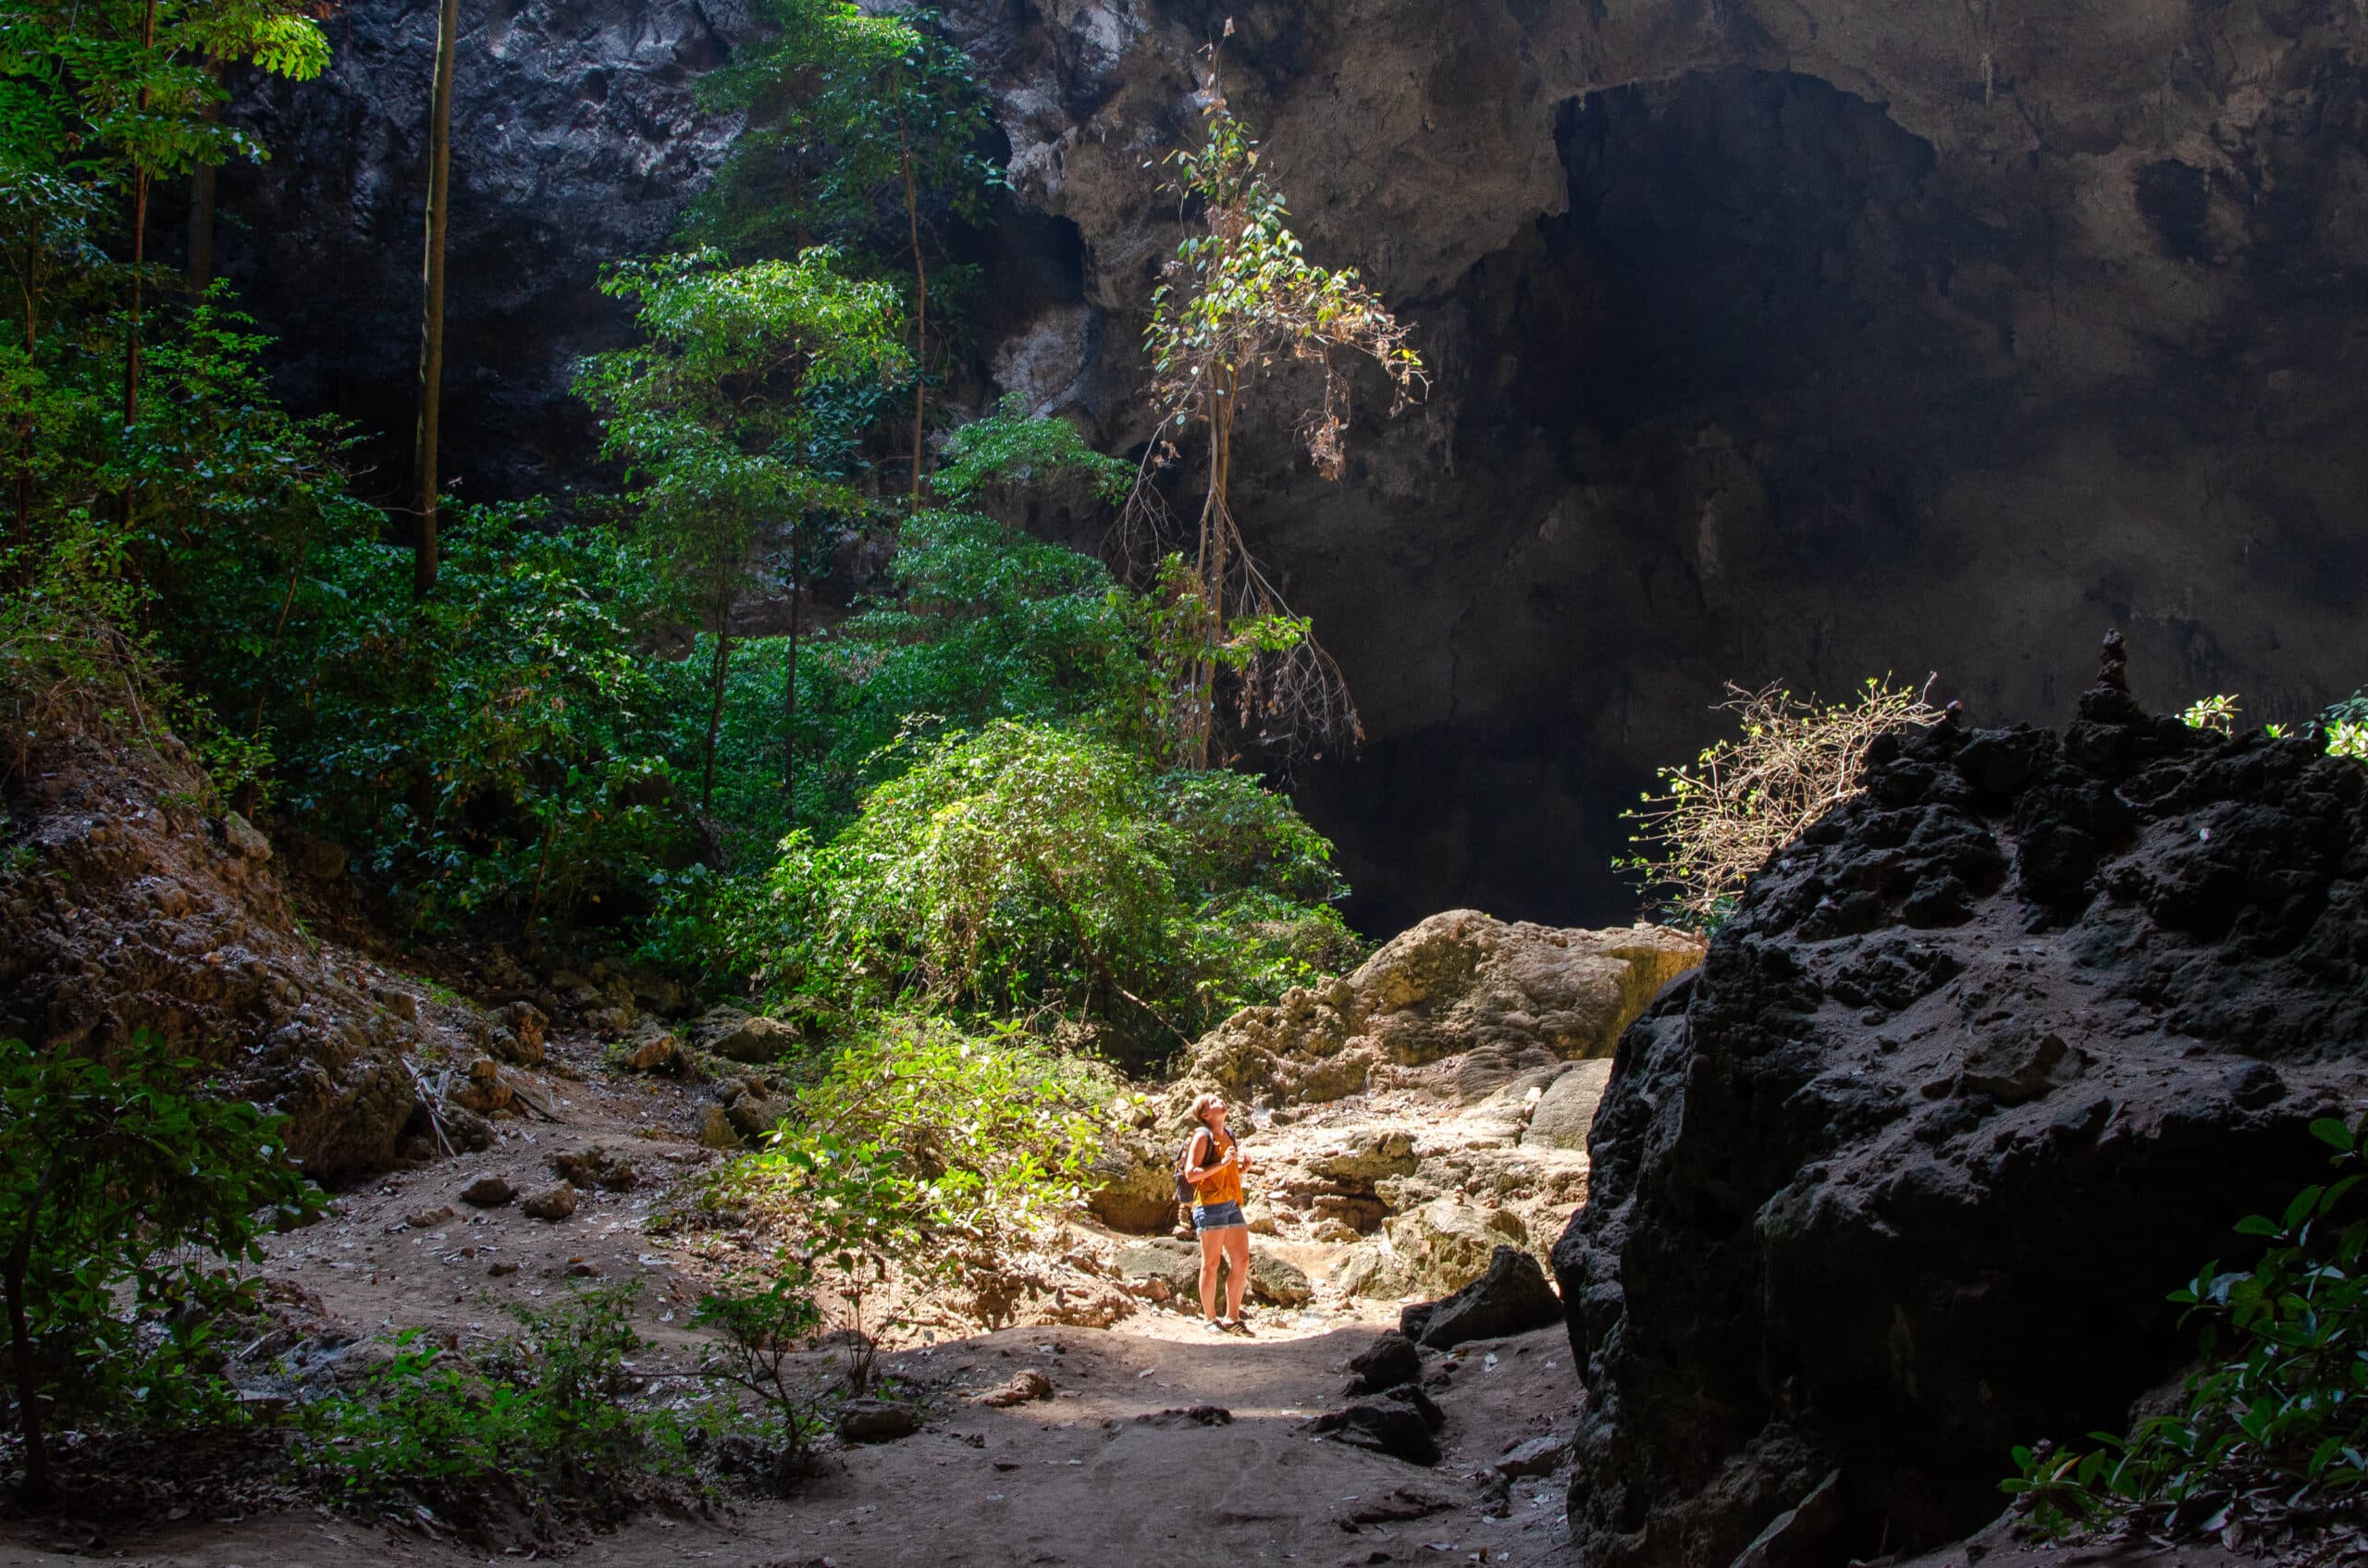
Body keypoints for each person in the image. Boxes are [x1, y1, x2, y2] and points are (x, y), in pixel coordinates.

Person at [1182, 1092, 1252, 1333]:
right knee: (1211, 1263)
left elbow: (1224, 1174)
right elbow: (1191, 1174)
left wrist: (1241, 1169)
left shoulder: (1229, 1134)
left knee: (1242, 1260)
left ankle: (1233, 1318)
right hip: (1210, 1205)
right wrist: (1222, 1164)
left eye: (1220, 1099)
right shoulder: (1203, 1137)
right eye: (1213, 1102)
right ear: (1205, 1114)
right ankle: (1210, 1320)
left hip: (1231, 1203)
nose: (1220, 1101)